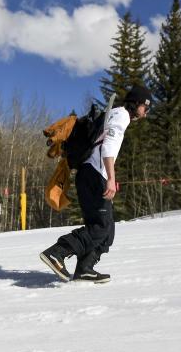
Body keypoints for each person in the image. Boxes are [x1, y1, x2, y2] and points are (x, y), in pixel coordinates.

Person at [39, 84, 151, 283]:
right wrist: (111, 178)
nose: (146, 113)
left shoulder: (114, 114)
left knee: (106, 231)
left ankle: (85, 268)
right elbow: (108, 147)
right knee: (100, 227)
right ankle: (58, 252)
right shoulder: (122, 116)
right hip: (94, 174)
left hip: (89, 174)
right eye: (146, 107)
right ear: (136, 104)